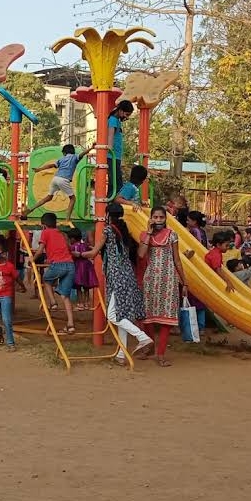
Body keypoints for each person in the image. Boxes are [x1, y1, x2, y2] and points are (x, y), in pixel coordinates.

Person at [77, 202, 152, 363]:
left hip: (116, 277)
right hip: (128, 276)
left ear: (108, 215)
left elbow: (93, 253)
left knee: (111, 316)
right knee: (121, 315)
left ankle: (142, 337)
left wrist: (77, 254)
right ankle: (121, 354)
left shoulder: (108, 230)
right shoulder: (123, 230)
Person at [139, 206, 187, 367]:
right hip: (151, 279)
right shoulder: (145, 235)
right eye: (155, 217)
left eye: (161, 217)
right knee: (148, 317)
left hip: (169, 280)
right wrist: (149, 233)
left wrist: (184, 282)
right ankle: (150, 346)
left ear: (166, 219)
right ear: (151, 218)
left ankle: (160, 354)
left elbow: (177, 259)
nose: (158, 220)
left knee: (167, 319)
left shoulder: (172, 235)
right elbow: (141, 254)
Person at [33, 212, 76, 334]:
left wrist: (32, 259)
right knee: (65, 296)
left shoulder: (46, 232)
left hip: (58, 264)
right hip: (70, 265)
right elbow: (67, 248)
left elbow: (40, 250)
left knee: (46, 280)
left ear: (43, 225)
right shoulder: (62, 233)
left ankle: (53, 302)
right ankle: (70, 324)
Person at [23, 144, 90, 221]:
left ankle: (31, 209)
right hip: (64, 180)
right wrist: (91, 147)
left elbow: (51, 165)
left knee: (48, 197)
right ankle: (67, 219)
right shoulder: (74, 157)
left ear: (64, 152)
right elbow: (82, 154)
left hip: (55, 179)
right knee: (73, 199)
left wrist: (39, 169)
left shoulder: (61, 159)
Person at [106, 100, 135, 196]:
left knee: (116, 182)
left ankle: (112, 201)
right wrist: (110, 148)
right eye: (127, 114)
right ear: (120, 110)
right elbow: (110, 135)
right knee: (116, 183)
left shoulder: (117, 121)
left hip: (116, 156)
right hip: (112, 156)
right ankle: (112, 202)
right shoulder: (113, 120)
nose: (127, 117)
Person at [68, 227, 98, 311]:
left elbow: (71, 255)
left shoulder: (73, 247)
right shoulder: (85, 245)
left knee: (78, 287)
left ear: (73, 239)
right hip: (87, 267)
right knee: (86, 287)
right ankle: (87, 303)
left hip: (78, 267)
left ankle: (80, 303)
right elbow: (92, 249)